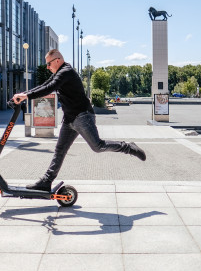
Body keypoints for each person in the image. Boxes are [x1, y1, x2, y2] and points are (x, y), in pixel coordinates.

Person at [12, 49, 146, 191]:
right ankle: (46, 181)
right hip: (70, 119)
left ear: (57, 60)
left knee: (98, 146)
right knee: (60, 150)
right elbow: (45, 85)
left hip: (83, 116)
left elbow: (49, 88)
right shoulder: (59, 73)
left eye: (48, 64)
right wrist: (24, 94)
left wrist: (26, 96)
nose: (47, 67)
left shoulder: (66, 72)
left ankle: (129, 147)